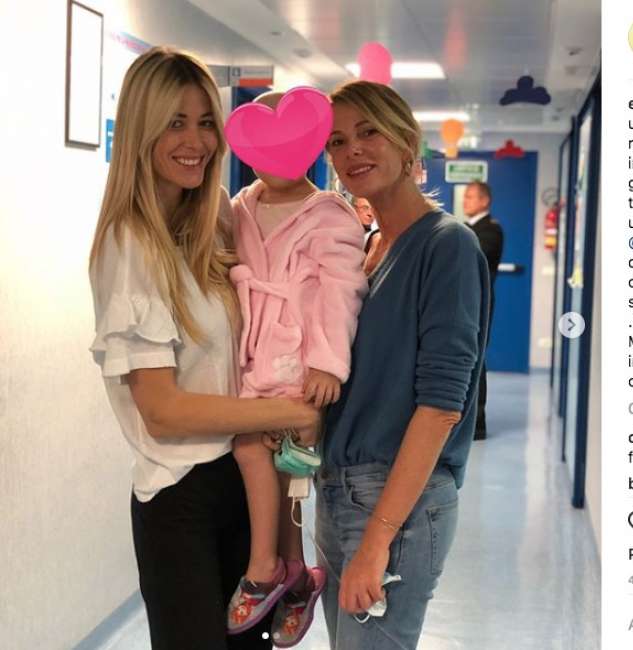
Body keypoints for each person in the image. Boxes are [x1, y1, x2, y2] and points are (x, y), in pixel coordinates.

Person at [88, 46, 319, 650]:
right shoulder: (128, 245)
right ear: (140, 131)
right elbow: (162, 411)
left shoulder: (214, 213)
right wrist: (289, 412)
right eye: (175, 122)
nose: (196, 141)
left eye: (205, 122)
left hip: (245, 478)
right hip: (181, 493)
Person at [317, 79, 490, 649]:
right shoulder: (366, 248)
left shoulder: (446, 245)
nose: (352, 150)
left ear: (407, 142)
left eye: (369, 132)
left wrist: (376, 542)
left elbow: (441, 407)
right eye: (337, 141)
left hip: (396, 502)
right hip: (338, 489)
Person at [226, 90, 368, 644]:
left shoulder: (329, 213)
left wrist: (327, 363)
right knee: (281, 465)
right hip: (254, 351)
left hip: (301, 359)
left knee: (255, 448)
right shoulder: (242, 205)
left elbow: (341, 291)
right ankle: (298, 575)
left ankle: (265, 567)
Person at [463, 181, 504, 440]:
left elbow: (473, 257)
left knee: (476, 357)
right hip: (465, 300)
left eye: (470, 196)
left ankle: (477, 424)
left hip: (480, 301)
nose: (465, 200)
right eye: (465, 196)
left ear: (484, 201)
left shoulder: (491, 230)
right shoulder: (466, 228)